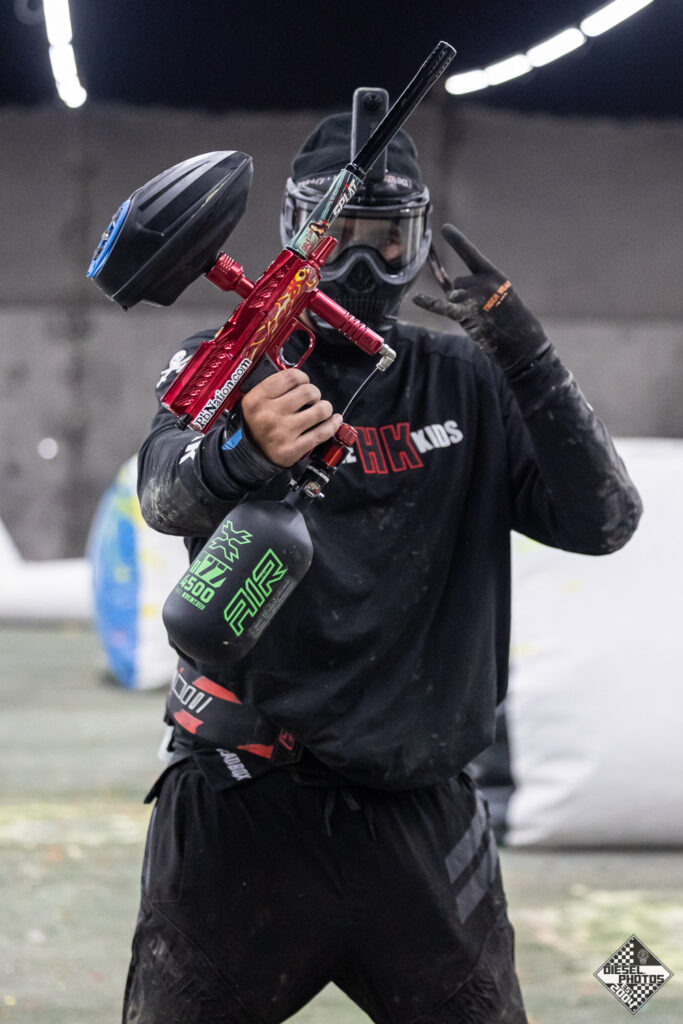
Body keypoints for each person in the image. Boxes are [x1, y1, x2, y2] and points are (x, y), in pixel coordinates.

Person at [124, 110, 642, 1024]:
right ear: (297, 233)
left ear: (418, 240)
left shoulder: (463, 380)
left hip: (420, 811)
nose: (361, 265)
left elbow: (603, 522)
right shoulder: (231, 362)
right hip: (243, 798)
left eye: (386, 238)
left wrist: (521, 351)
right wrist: (241, 454)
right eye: (342, 236)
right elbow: (163, 494)